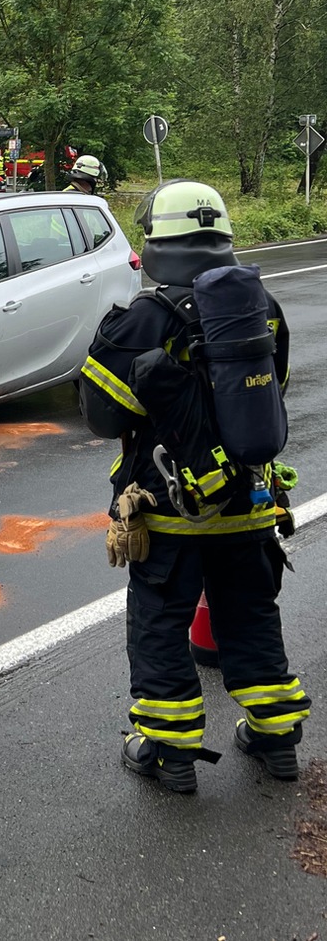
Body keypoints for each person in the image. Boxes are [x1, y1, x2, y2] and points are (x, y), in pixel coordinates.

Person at [79, 179, 309, 793]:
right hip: (250, 505)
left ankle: (169, 752)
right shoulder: (263, 308)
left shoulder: (145, 318)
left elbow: (102, 417)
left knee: (160, 626)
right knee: (252, 618)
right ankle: (277, 737)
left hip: (167, 514)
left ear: (156, 243)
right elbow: (271, 397)